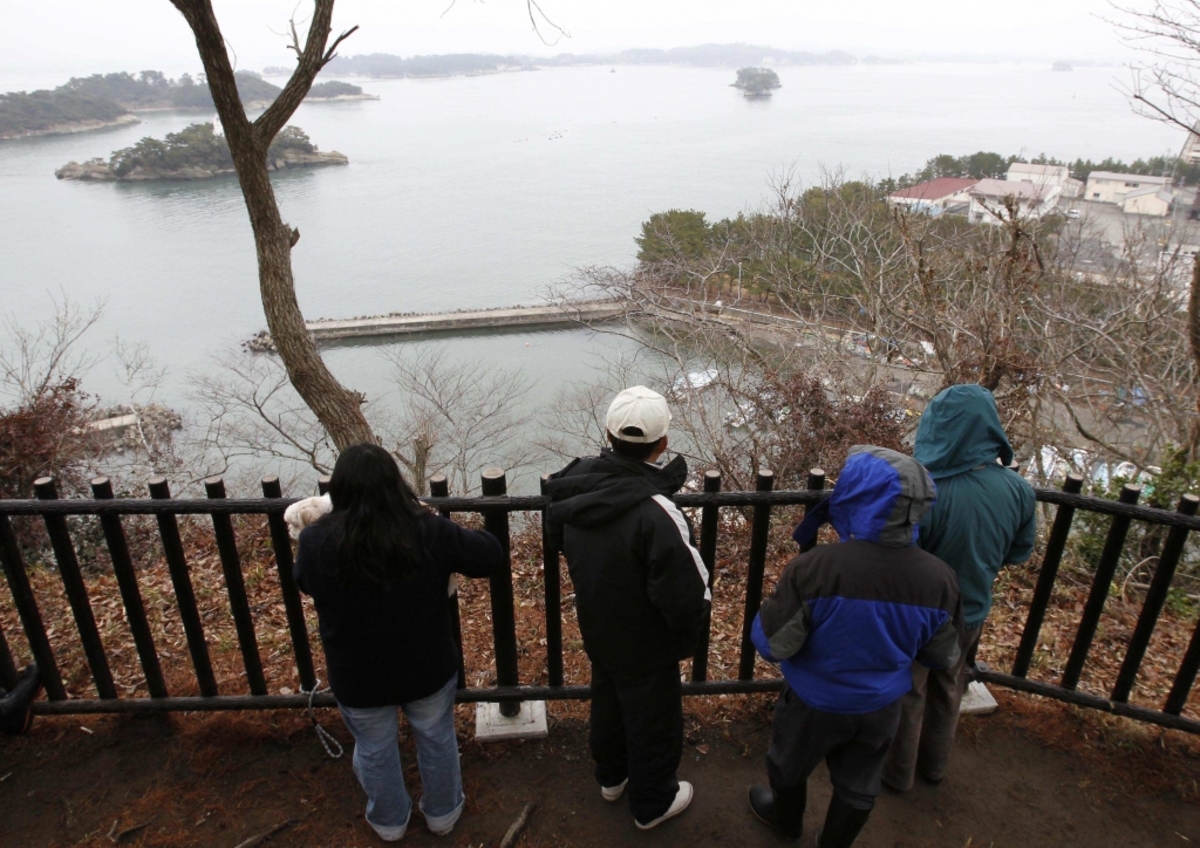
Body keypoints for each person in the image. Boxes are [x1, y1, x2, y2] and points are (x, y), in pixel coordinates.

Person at [749, 446, 963, 846]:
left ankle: (785, 819)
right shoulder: (940, 579)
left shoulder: (817, 568)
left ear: (855, 497)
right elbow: (941, 655)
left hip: (814, 702)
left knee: (787, 766)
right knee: (860, 784)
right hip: (881, 706)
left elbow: (774, 644)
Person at [293, 443, 503, 841]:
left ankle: (389, 822)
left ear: (338, 490)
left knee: (374, 747)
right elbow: (489, 556)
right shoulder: (426, 529)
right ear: (396, 484)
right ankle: (443, 814)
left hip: (358, 673)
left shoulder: (317, 541)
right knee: (436, 737)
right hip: (426, 663)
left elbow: (304, 580)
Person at [545, 385, 710, 831]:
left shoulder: (572, 486)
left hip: (599, 621)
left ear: (608, 433)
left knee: (609, 697)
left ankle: (612, 777)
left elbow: (558, 538)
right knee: (652, 715)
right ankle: (653, 801)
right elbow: (683, 591)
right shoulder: (657, 511)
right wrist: (685, 634)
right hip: (647, 637)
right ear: (663, 443)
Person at [882, 384, 1036, 792]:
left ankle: (897, 775)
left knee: (909, 688)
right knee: (950, 685)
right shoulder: (1019, 490)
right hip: (971, 609)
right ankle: (934, 767)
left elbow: (900, 555)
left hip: (918, 612)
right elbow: (1019, 552)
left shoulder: (925, 490)